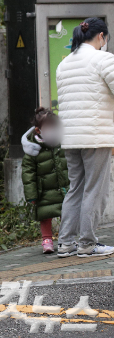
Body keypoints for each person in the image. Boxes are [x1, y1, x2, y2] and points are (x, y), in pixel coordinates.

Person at [56, 18, 114, 258]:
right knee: (94, 189)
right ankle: (87, 243)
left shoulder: (64, 63)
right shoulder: (103, 59)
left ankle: (66, 243)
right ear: (101, 36)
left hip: (70, 136)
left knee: (75, 187)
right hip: (96, 135)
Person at [21, 108, 69, 254]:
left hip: (63, 188)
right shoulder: (32, 150)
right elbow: (28, 173)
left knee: (66, 213)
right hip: (43, 190)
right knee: (45, 215)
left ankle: (65, 238)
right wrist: (32, 195)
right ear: (38, 130)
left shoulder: (62, 145)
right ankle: (47, 239)